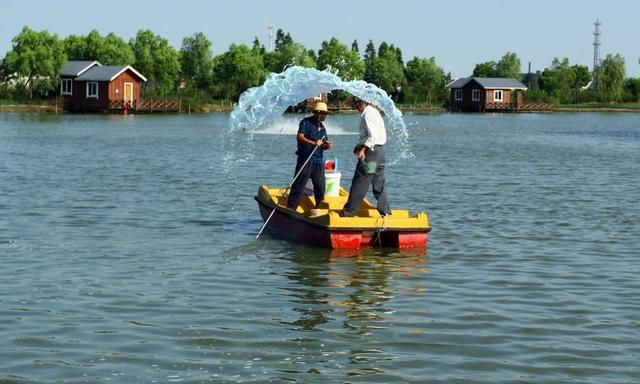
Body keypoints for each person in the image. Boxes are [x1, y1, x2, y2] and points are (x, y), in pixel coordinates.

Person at [342, 97, 390, 217]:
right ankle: (386, 212)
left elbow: (372, 137)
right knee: (379, 183)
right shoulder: (374, 111)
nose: (355, 106)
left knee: (360, 181)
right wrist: (358, 145)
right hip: (380, 152)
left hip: (371, 154)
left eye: (355, 103)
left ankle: (348, 212)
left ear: (360, 103)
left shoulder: (367, 113)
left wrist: (363, 150)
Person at [286, 101, 333, 215]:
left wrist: (326, 146)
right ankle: (290, 210)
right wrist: (313, 143)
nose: (324, 116)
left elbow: (322, 144)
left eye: (325, 114)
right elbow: (300, 137)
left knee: (320, 187)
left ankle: (319, 209)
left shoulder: (322, 128)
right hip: (305, 160)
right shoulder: (306, 122)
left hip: (318, 161)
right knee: (299, 186)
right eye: (323, 114)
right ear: (317, 113)